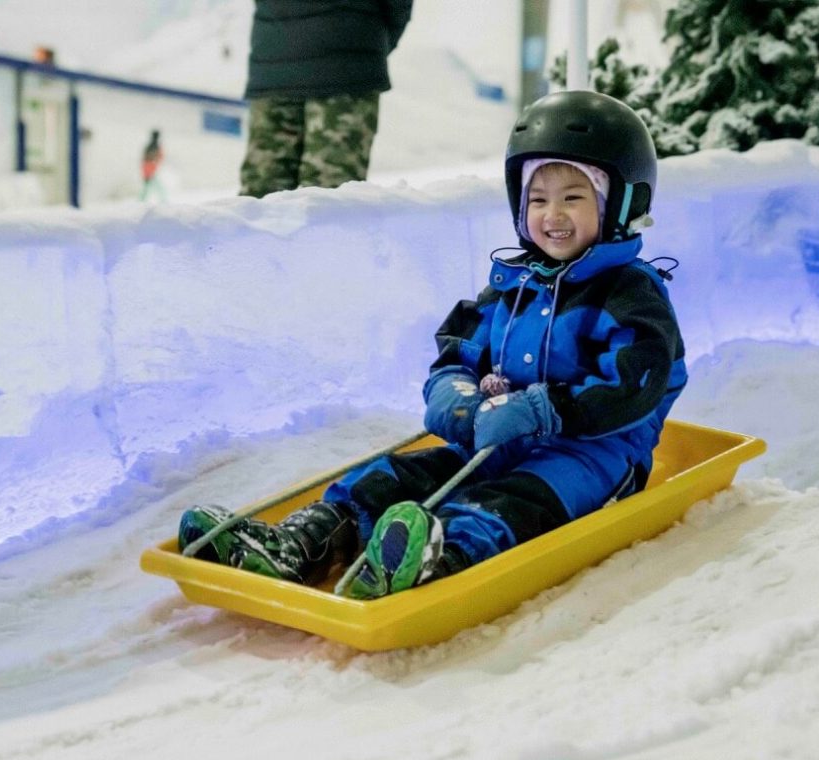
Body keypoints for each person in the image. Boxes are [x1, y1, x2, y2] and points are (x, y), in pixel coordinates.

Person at [182, 91, 688, 599]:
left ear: (621, 202)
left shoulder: (631, 292)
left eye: (573, 197)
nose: (552, 214)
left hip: (592, 456)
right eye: (538, 199)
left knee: (510, 502)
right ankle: (302, 543)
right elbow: (458, 350)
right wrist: (455, 391)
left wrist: (542, 409)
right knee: (398, 475)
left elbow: (634, 383)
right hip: (499, 437)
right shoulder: (513, 284)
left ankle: (437, 563)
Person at [238, 0, 413, 198]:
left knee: (263, 192)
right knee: (329, 196)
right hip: (346, 67)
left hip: (272, 60)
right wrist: (372, 45)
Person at [140, 129, 165, 202]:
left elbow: (145, 158)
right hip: (150, 169)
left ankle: (141, 200)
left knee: (148, 186)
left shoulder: (150, 146)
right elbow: (159, 157)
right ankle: (163, 200)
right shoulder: (155, 146)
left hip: (149, 168)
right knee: (151, 186)